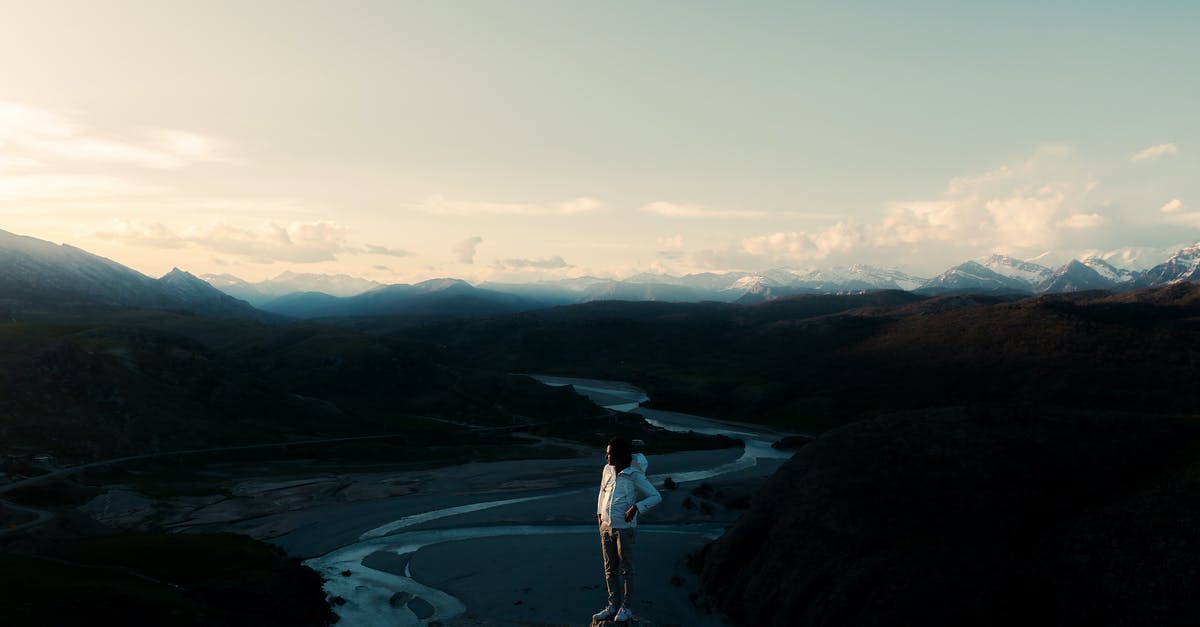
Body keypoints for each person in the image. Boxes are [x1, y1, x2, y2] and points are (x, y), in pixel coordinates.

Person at [593, 436, 661, 622]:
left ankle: (626, 607)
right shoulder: (607, 470)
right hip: (606, 527)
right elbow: (602, 491)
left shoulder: (634, 474)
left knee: (626, 569)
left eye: (608, 454)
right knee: (609, 569)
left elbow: (656, 496)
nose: (606, 457)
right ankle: (612, 605)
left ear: (619, 456)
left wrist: (637, 507)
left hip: (625, 529)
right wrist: (599, 513)